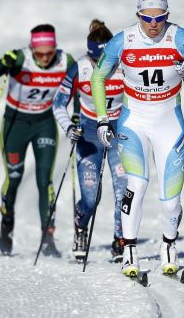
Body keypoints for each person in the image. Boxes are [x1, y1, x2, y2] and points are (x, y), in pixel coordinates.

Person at [90, 0, 184, 277]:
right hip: (134, 122)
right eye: (147, 18)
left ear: (167, 16)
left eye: (160, 18)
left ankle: (169, 244)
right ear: (138, 15)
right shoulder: (123, 40)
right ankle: (130, 250)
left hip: (168, 121)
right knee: (136, 184)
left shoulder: (179, 36)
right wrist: (103, 119)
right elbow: (98, 77)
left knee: (171, 199)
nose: (154, 24)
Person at [0, 24, 75, 257]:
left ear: (55, 49)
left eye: (48, 53)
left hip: (44, 124)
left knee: (44, 179)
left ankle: (47, 237)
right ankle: (6, 225)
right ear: (32, 49)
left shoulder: (66, 62)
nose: (44, 58)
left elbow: (82, 85)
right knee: (14, 178)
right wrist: (4, 63)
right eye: (39, 53)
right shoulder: (21, 58)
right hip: (16, 125)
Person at [53, 19, 128, 263]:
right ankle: (81, 227)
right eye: (97, 61)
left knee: (123, 189)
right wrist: (69, 128)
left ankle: (120, 239)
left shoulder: (125, 65)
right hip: (88, 133)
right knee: (90, 196)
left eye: (106, 60)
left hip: (118, 132)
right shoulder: (81, 67)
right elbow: (58, 104)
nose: (102, 66)